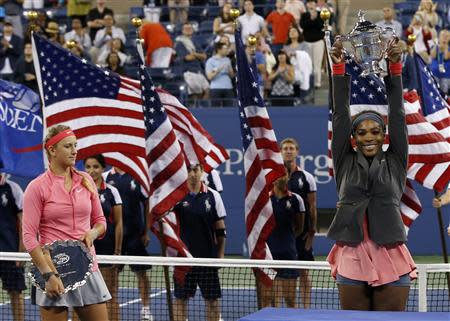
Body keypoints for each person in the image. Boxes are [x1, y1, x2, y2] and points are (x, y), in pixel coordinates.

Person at [327, 39, 416, 311]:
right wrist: (339, 69)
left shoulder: (395, 160)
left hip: (391, 254)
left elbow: (398, 114)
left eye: (375, 131)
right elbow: (341, 115)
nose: (369, 137)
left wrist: (395, 69)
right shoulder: (344, 161)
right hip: (352, 256)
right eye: (362, 132)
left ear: (383, 135)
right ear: (353, 137)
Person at [22, 125, 111, 321]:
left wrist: (92, 234)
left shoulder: (86, 180)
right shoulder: (36, 187)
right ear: (52, 150)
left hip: (87, 267)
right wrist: (48, 275)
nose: (75, 151)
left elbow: (100, 221)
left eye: (75, 145)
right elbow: (29, 236)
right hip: (52, 270)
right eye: (68, 146)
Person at [172, 163, 226, 321]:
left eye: (196, 170)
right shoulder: (176, 196)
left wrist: (220, 254)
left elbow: (220, 228)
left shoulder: (213, 195)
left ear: (202, 172)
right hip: (183, 258)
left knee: (212, 300)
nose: (192, 174)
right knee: (181, 299)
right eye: (189, 170)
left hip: (206, 258)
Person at [104, 167, 153, 321]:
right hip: (113, 236)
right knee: (112, 275)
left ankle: (146, 308)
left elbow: (147, 205)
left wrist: (146, 231)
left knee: (141, 273)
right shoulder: (106, 177)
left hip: (134, 235)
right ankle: (112, 305)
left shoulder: (137, 176)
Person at [84, 155, 123, 321]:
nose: (91, 171)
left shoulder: (111, 191)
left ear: (103, 169)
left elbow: (119, 223)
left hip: (106, 249)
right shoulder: (79, 188)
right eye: (88, 167)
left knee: (109, 293)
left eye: (96, 166)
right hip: (84, 249)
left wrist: (117, 251)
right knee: (81, 297)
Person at [280, 137, 317, 309]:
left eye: (291, 148)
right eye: (285, 148)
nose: (288, 151)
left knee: (303, 272)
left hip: (302, 234)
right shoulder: (275, 177)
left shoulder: (306, 177)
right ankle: (278, 310)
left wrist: (311, 233)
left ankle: (306, 309)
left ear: (297, 152)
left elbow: (312, 206)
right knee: (280, 274)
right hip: (282, 233)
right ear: (280, 152)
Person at [260, 174, 304, 308]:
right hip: (268, 255)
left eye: (282, 173)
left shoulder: (296, 199)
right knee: (267, 298)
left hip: (288, 255)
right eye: (277, 172)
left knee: (290, 299)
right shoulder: (264, 199)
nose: (280, 177)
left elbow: (299, 227)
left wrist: (287, 241)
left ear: (287, 177)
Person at [0, 173, 25, 321]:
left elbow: (23, 222)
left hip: (10, 252)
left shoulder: (13, 188)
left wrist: (21, 252)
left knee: (15, 293)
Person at [300, 0, 325, 89]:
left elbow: (321, 26)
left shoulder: (320, 14)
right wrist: (311, 19)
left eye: (312, 2)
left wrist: (315, 18)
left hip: (318, 42)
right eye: (309, 3)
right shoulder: (304, 15)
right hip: (307, 42)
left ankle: (317, 83)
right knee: (308, 64)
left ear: (315, 4)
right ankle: (309, 82)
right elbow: (303, 26)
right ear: (306, 5)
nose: (311, 4)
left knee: (317, 64)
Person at [205, 42, 235, 107]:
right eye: (225, 48)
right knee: (215, 110)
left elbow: (232, 76)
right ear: (219, 49)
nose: (227, 50)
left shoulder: (227, 60)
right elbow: (209, 77)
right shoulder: (210, 61)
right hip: (215, 88)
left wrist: (230, 70)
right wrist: (219, 69)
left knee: (230, 110)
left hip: (228, 87)